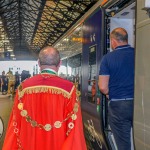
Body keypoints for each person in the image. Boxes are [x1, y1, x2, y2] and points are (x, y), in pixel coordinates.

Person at [3, 46, 87, 150]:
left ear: (38, 63)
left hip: (29, 144)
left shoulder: (23, 87)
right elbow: (74, 127)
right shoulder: (69, 89)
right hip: (58, 144)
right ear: (60, 63)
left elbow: (15, 124)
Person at [98, 28, 134, 150]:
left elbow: (102, 86)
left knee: (123, 144)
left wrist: (109, 93)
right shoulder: (139, 53)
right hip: (140, 103)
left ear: (113, 41)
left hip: (119, 105)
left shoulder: (108, 58)